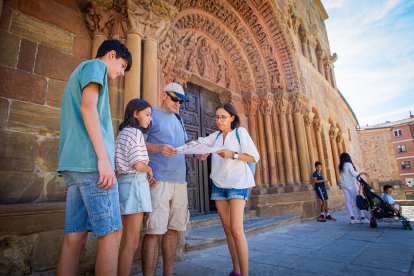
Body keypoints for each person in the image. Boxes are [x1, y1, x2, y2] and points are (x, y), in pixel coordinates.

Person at [56, 39, 132, 276]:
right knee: (112, 233)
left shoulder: (79, 71)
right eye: (122, 66)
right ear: (111, 55)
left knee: (75, 236)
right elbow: (88, 108)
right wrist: (103, 159)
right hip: (91, 164)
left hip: (75, 166)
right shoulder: (95, 67)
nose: (121, 73)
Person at [141, 82, 202, 276]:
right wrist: (159, 148)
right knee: (153, 232)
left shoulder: (179, 120)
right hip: (158, 180)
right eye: (175, 99)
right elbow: (139, 141)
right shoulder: (151, 114)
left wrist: (197, 154)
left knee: (173, 230)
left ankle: (169, 273)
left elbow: (183, 147)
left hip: (179, 182)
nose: (178, 104)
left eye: (181, 101)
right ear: (164, 95)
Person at [197, 103, 260, 276]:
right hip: (219, 185)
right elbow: (200, 144)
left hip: (237, 184)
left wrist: (232, 154)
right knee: (227, 229)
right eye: (216, 117)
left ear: (232, 118)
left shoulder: (240, 133)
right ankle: (236, 271)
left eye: (223, 117)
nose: (219, 120)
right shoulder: (215, 137)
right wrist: (199, 152)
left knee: (237, 229)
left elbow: (254, 157)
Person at [115, 99, 155, 276]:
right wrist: (149, 169)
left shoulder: (122, 133)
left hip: (123, 183)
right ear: (135, 113)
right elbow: (138, 165)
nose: (150, 119)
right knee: (131, 242)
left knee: (124, 240)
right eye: (147, 114)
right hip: (134, 184)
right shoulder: (136, 133)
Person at [338, 152, 370, 224]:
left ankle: (352, 218)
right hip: (351, 185)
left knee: (348, 202)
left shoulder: (340, 166)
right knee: (357, 201)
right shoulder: (348, 164)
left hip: (344, 185)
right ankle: (362, 218)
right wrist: (363, 173)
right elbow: (354, 174)